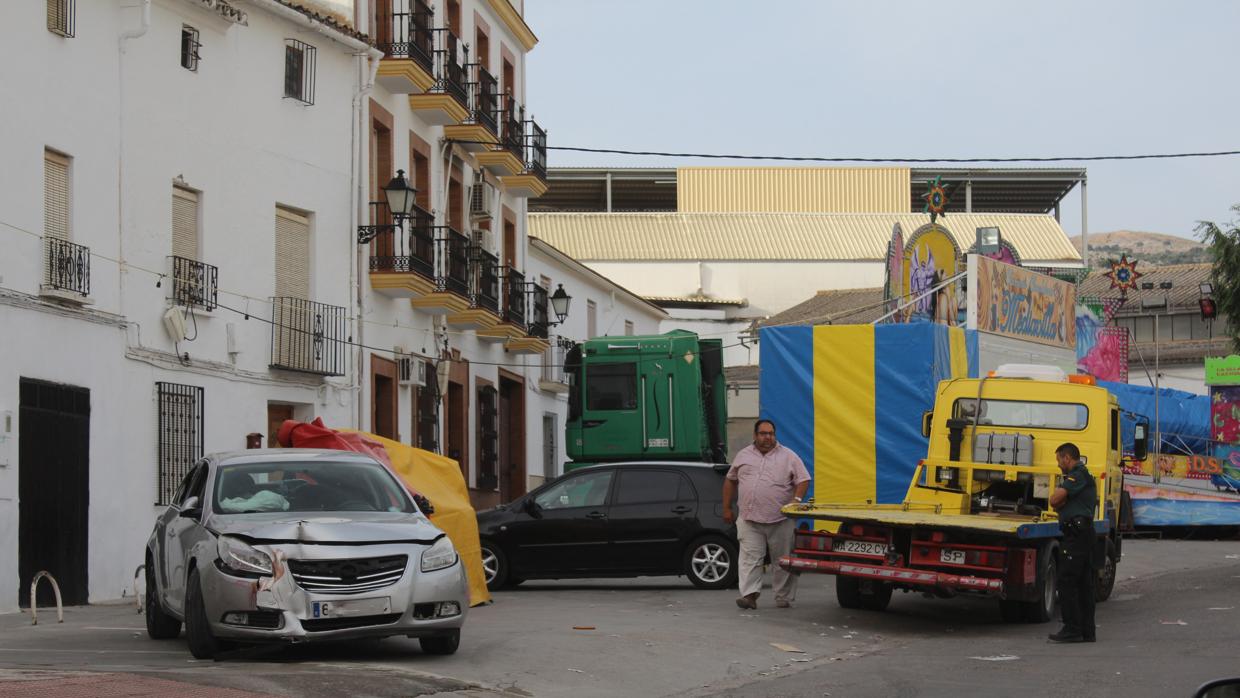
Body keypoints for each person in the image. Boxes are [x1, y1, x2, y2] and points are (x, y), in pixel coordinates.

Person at [723, 419, 811, 610]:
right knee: (749, 559)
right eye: (763, 433)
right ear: (755, 435)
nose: (768, 437)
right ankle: (749, 595)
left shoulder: (788, 456)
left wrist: (796, 501)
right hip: (749, 518)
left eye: (771, 433)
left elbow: (803, 479)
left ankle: (783, 597)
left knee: (782, 560)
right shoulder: (743, 455)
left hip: (781, 519)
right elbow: (730, 480)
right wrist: (727, 508)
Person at [1047, 442, 1098, 643]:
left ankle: (1072, 628)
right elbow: (1059, 501)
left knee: (1067, 581)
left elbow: (1054, 500)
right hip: (1082, 533)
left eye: (1059, 460)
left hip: (1077, 535)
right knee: (1084, 584)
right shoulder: (1079, 476)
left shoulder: (1078, 474)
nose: (1058, 464)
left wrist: (1062, 495)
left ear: (1067, 458)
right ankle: (1087, 631)